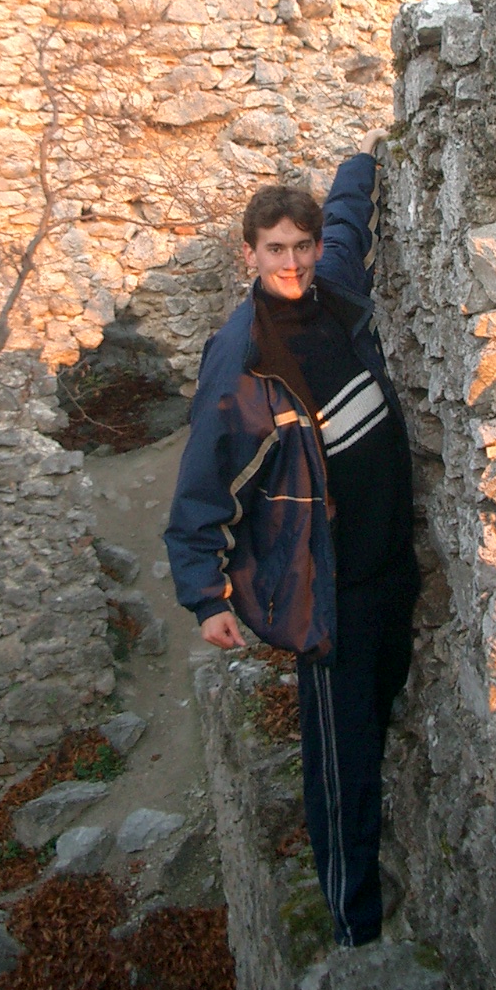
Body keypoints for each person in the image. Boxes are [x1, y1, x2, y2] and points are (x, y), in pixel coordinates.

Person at [164, 130, 419, 948]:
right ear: (250, 254)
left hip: (393, 561)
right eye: (276, 248)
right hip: (327, 582)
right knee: (340, 756)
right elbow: (204, 479)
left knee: (385, 706)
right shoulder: (242, 356)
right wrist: (205, 595)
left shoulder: (334, 288)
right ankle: (352, 918)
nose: (294, 261)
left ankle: (385, 846)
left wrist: (366, 158)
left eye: (301, 245)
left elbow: (347, 221)